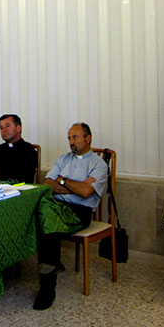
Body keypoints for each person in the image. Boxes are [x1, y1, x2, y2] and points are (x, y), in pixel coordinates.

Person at [33, 122, 108, 311]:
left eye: (75, 137)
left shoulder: (98, 164)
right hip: (56, 205)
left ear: (87, 138)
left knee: (45, 217)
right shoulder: (63, 159)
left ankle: (47, 286)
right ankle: (49, 270)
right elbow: (47, 183)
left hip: (79, 212)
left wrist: (63, 180)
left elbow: (85, 193)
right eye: (69, 138)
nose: (71, 142)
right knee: (41, 208)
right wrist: (75, 186)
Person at [0, 114, 38, 183]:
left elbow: (23, 177)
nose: (4, 130)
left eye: (7, 126)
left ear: (18, 128)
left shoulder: (29, 150)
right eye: (1, 128)